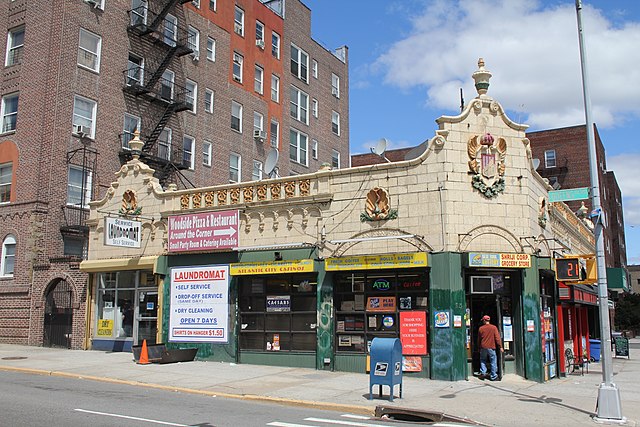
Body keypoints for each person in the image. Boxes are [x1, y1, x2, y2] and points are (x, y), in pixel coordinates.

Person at [478, 314, 503, 381]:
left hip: (483, 347)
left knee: (483, 360)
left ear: (484, 320)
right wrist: (500, 346)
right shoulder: (494, 328)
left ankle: (483, 373)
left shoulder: (481, 328)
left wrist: (479, 347)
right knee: (493, 361)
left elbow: (479, 339)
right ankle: (493, 376)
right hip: (491, 347)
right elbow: (497, 338)